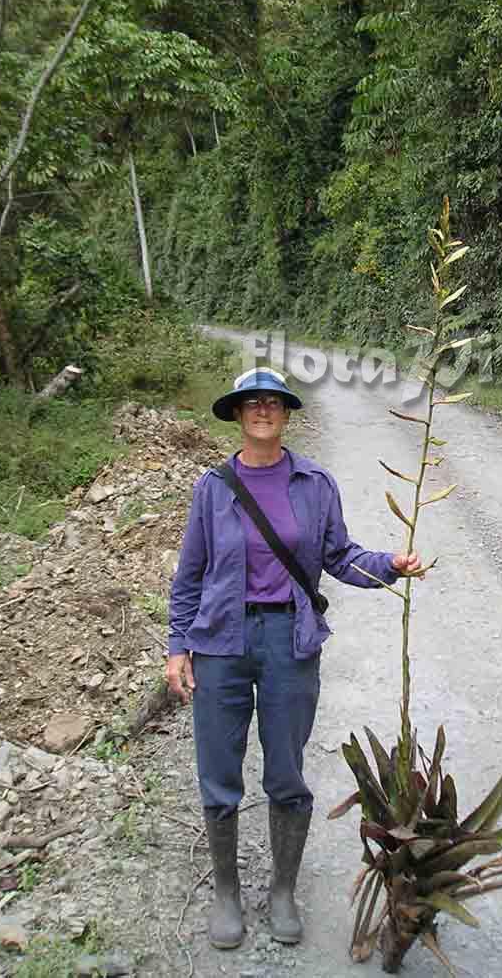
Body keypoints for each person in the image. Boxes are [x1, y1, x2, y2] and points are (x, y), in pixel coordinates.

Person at [165, 366, 423, 951]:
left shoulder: (314, 483)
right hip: (220, 643)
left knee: (285, 769)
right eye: (250, 403)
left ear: (285, 414)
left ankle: (282, 889)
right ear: (235, 414)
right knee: (218, 772)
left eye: (273, 403)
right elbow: (190, 576)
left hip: (290, 640)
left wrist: (390, 566)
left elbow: (339, 554)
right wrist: (177, 645)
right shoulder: (213, 487)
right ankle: (227, 892)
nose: (262, 411)